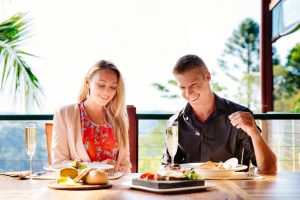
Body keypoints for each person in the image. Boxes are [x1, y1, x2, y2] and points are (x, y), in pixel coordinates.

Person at [162, 54, 277, 174]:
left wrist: (254, 133)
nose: (188, 93)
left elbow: (269, 169)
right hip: (191, 190)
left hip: (234, 190)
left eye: (194, 85)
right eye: (182, 87)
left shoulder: (239, 116)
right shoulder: (175, 122)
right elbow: (167, 169)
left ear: (207, 77)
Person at [52, 60, 131, 173]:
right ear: (87, 82)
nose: (107, 92)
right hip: (81, 188)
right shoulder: (65, 114)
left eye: (113, 87)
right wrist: (96, 167)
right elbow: (58, 163)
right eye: (101, 84)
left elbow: (125, 165)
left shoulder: (119, 118)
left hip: (115, 187)